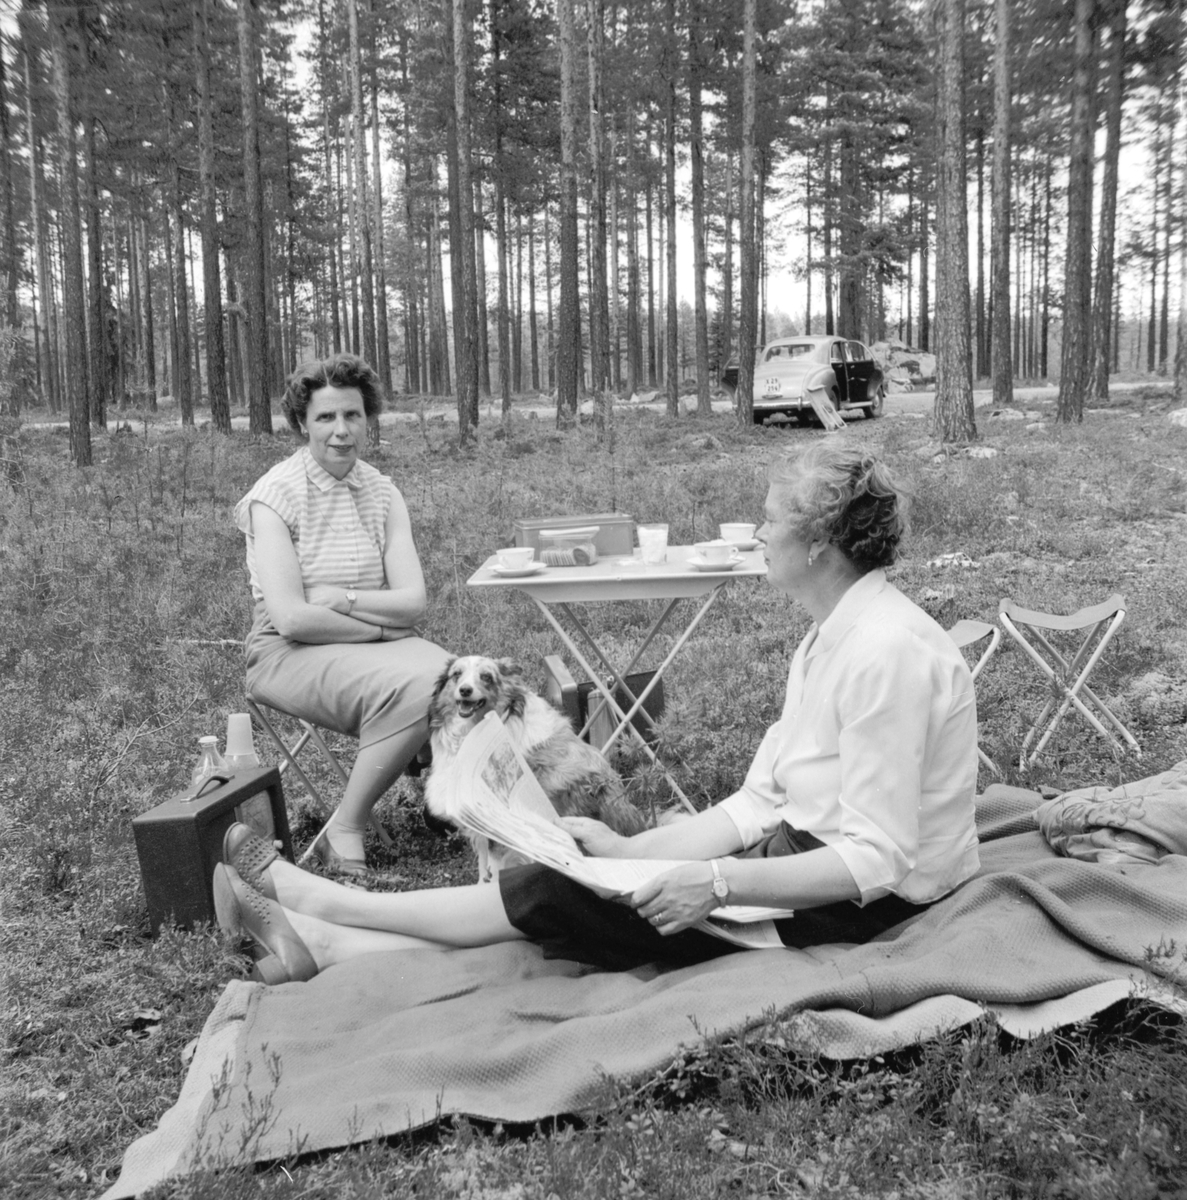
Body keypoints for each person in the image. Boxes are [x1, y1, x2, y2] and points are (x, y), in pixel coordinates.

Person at [216, 442, 980, 982]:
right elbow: (758, 803)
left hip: (856, 905)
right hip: (797, 858)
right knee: (578, 876)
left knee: (561, 895)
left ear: (817, 543)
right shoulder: (830, 634)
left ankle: (320, 904)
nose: (756, 532)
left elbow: (876, 861)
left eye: (771, 518)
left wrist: (715, 884)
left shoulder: (885, 653)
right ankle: (325, 942)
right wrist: (632, 848)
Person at [235, 353, 451, 875]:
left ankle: (446, 795)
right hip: (288, 652)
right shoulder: (274, 497)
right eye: (325, 417)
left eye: (352, 415)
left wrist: (344, 599)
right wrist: (381, 629)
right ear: (301, 423)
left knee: (457, 676)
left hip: (367, 640)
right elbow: (293, 619)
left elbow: (413, 601)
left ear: (368, 419)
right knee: (426, 685)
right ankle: (346, 827)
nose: (341, 431)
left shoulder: (382, 491)